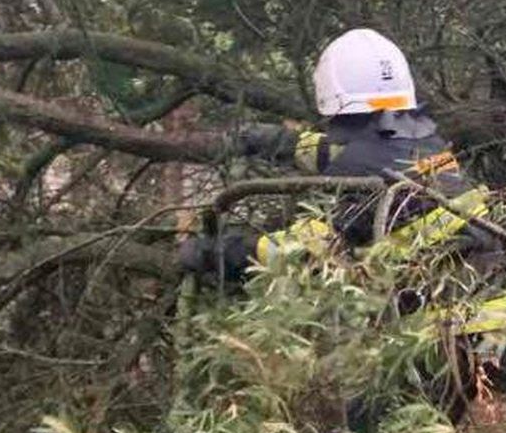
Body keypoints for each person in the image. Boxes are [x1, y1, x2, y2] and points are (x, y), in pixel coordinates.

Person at [176, 27, 489, 283]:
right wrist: (273, 141)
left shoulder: (362, 171)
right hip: (493, 305)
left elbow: (306, 253)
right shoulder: (424, 141)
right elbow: (337, 153)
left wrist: (216, 253)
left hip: (442, 335)